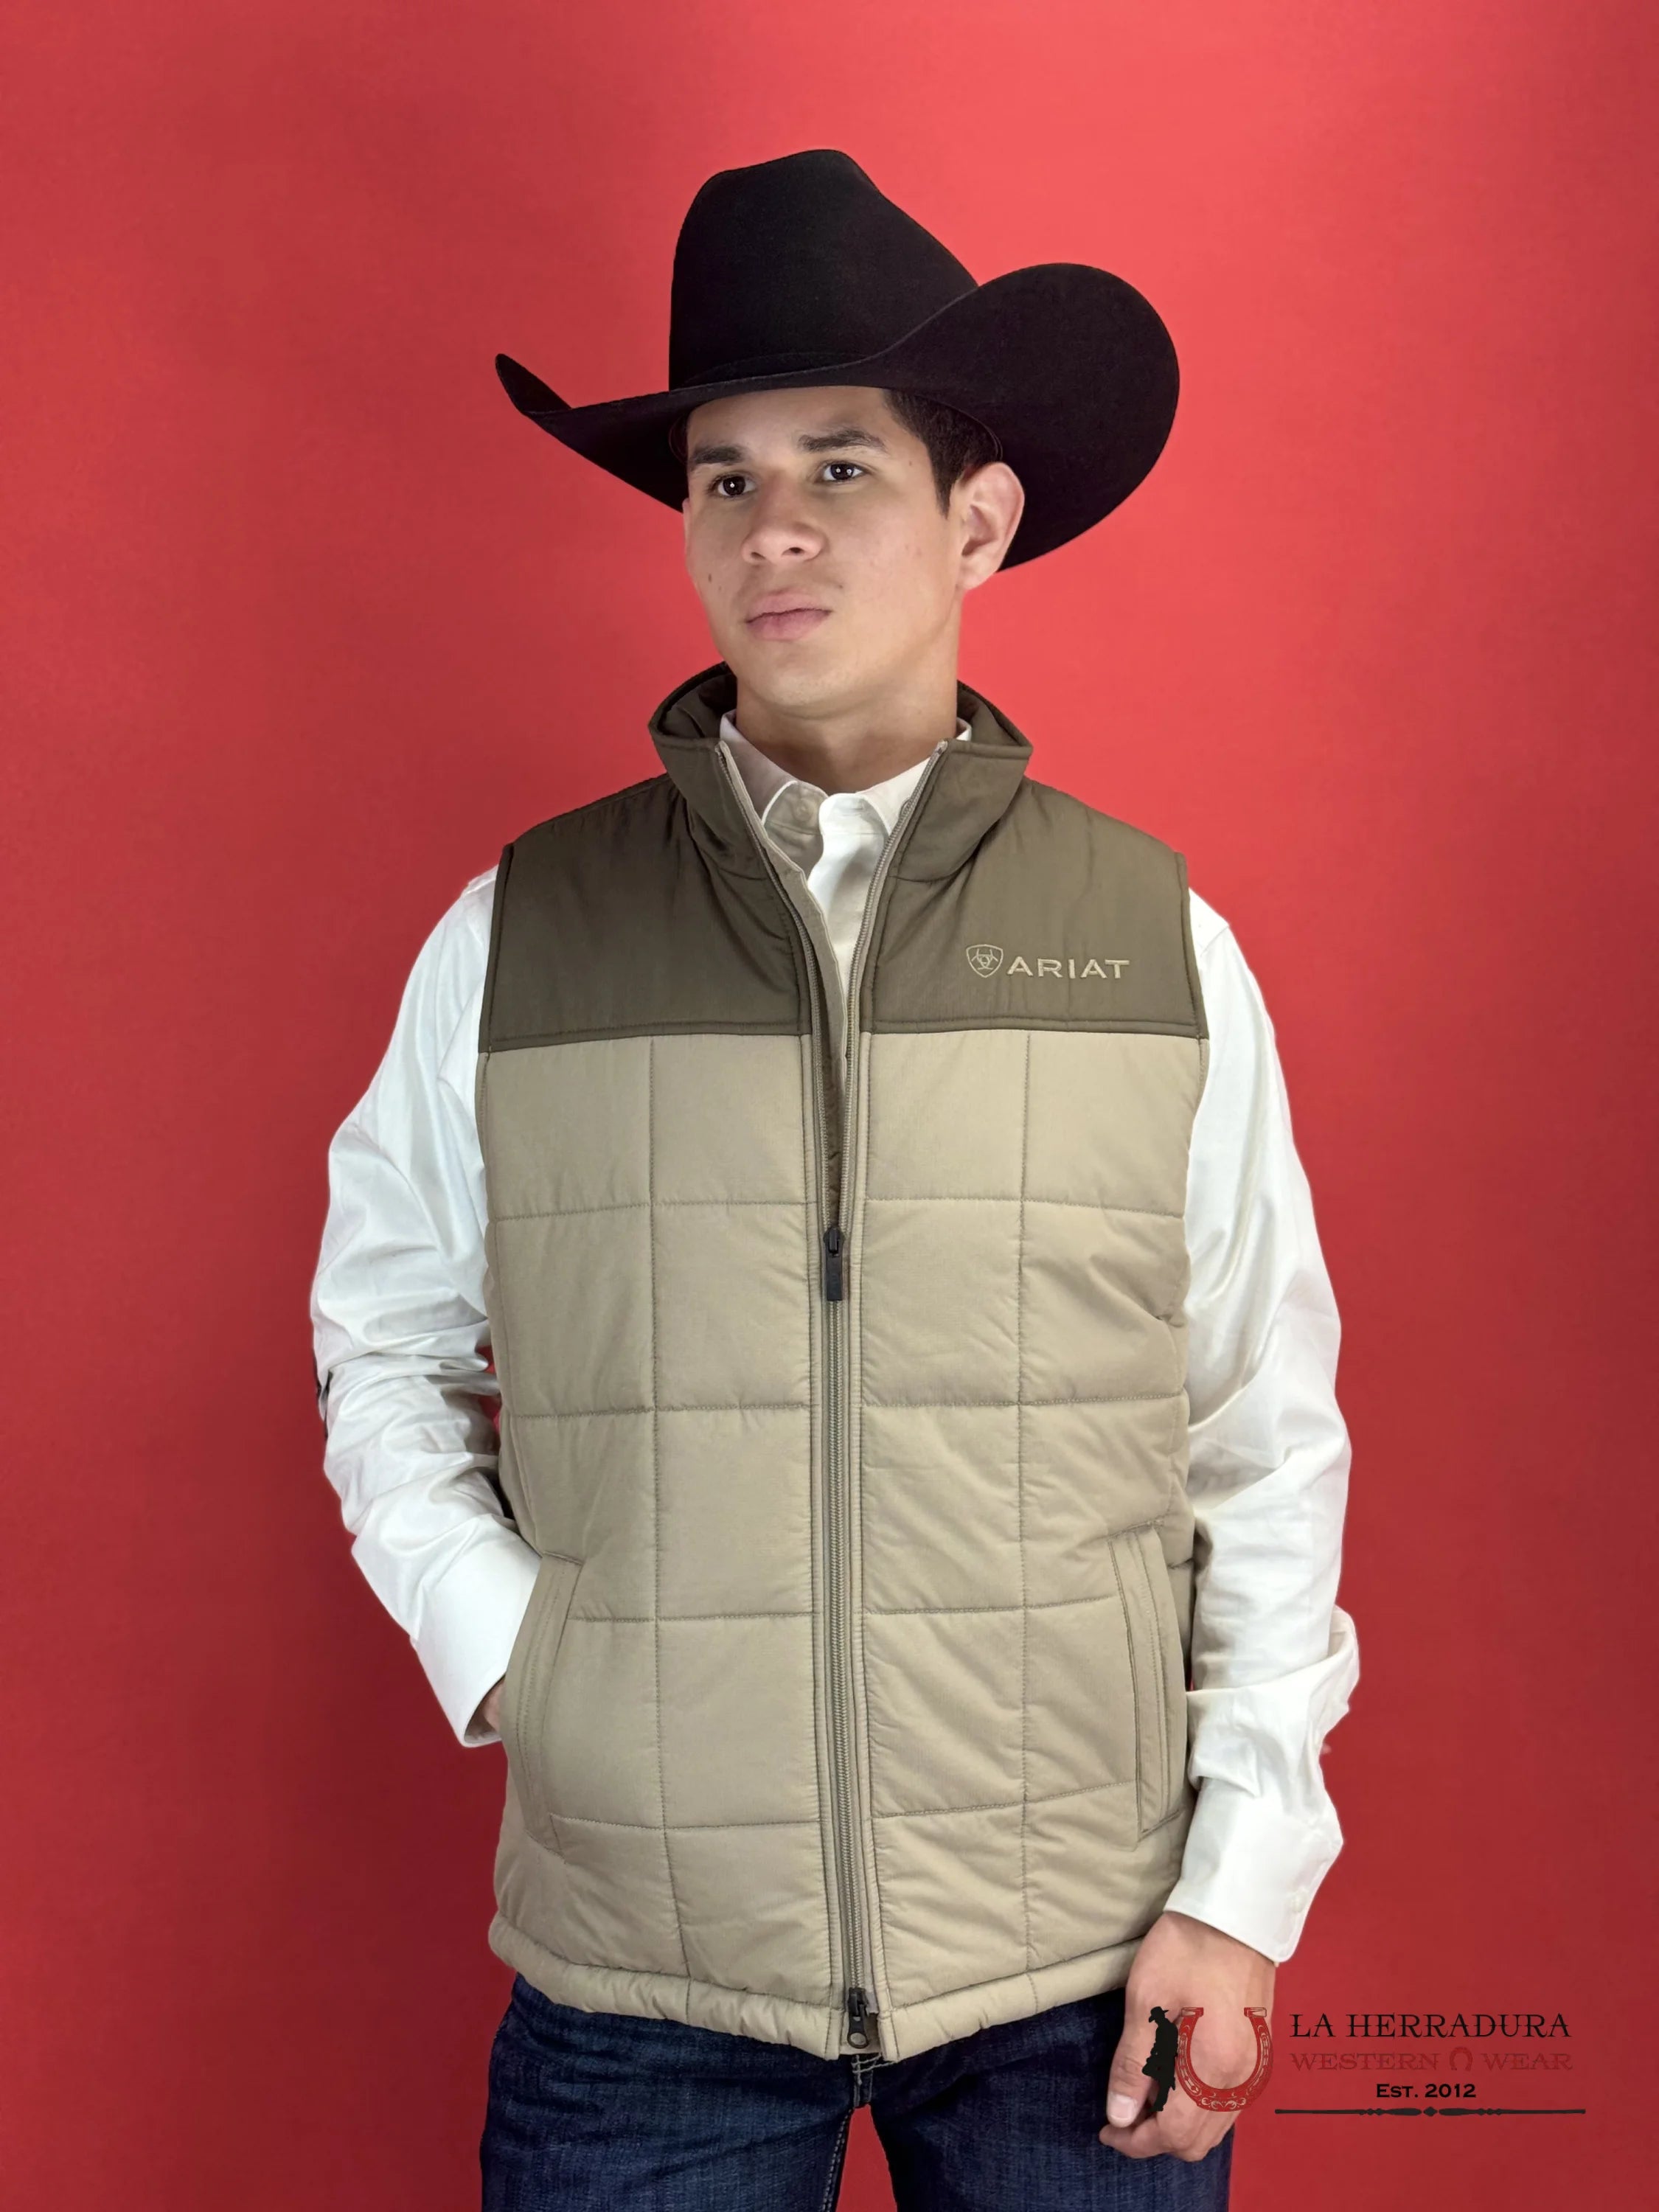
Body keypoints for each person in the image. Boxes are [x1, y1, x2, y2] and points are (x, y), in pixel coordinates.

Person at [309, 147, 1359, 2210]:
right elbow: (385, 1346)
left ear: (978, 518)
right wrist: (522, 1658)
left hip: (1081, 1968)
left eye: (841, 468)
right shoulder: (522, 939)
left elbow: (1259, 1436)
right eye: (724, 478)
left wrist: (1240, 1882)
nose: (771, 528)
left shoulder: (1155, 946)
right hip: (643, 1981)